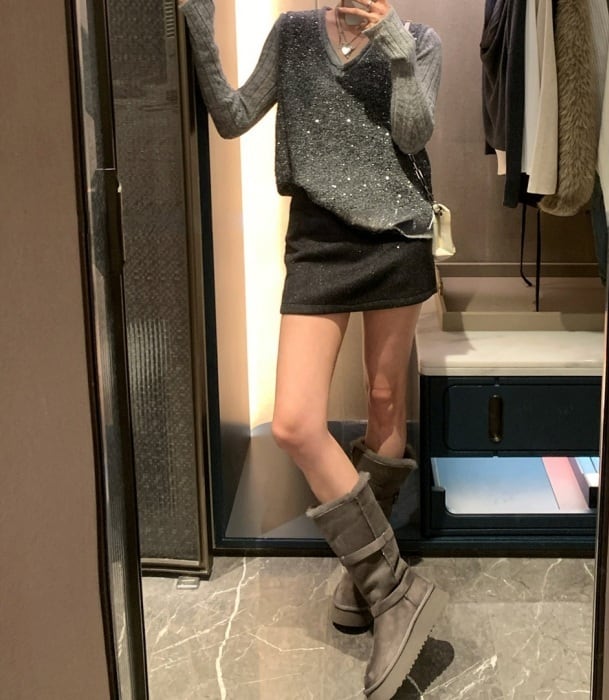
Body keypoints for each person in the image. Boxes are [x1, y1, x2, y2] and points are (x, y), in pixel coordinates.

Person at [179, 1, 447, 697]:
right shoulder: (295, 33)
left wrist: (393, 44)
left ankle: (366, 576)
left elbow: (414, 134)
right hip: (319, 245)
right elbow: (234, 115)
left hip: (397, 239)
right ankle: (392, 589)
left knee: (385, 401)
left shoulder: (420, 41)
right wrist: (199, 27)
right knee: (297, 422)